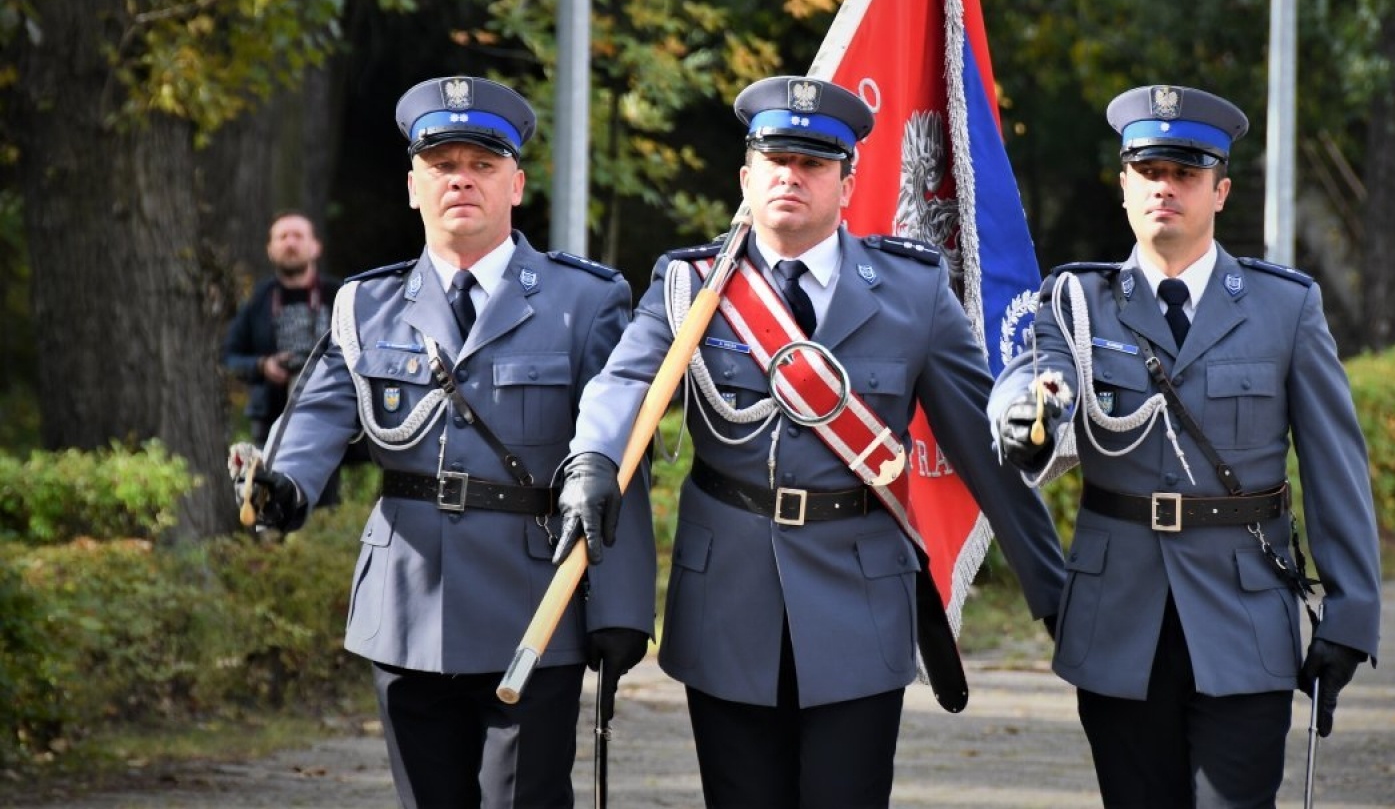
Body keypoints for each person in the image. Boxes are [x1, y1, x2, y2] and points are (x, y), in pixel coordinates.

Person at [570, 75, 1069, 809]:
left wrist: (1056, 594)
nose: (790, 177)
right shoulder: (690, 286)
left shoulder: (912, 292)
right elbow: (623, 385)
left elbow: (983, 449)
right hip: (727, 596)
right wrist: (592, 460)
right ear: (747, 175)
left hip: (858, 597)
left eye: (812, 163)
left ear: (846, 179)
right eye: (775, 160)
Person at [232, 76, 655, 809]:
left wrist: (619, 610)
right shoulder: (366, 304)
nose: (461, 178)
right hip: (406, 604)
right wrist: (284, 485)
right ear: (412, 185)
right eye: (442, 164)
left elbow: (618, 457)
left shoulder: (584, 301)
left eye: (483, 164)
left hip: (534, 602)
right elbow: (322, 412)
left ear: (515, 184)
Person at [989, 83, 1382, 808]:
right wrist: (1019, 413)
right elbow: (1035, 391)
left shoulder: (1284, 308)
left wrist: (1351, 615)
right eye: (1148, 171)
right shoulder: (1075, 302)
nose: (1164, 189)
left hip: (1243, 616)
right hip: (1118, 620)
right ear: (1124, 185)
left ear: (1220, 191)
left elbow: (1335, 466)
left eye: (1185, 174)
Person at [222, 211, 350, 505]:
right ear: (270, 249)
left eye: (298, 236)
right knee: (268, 502)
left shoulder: (341, 295)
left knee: (323, 505)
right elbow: (228, 357)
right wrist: (262, 366)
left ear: (315, 247)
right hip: (270, 422)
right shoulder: (258, 301)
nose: (290, 243)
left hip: (329, 420)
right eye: (282, 237)